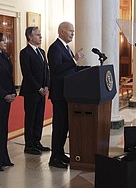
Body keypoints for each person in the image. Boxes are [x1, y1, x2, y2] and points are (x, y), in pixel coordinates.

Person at [48, 21, 88, 169]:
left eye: (73, 31)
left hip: (68, 93)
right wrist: (74, 59)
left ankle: (60, 153)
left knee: (65, 126)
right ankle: (54, 157)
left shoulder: (65, 47)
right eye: (70, 31)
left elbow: (70, 70)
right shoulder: (54, 48)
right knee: (59, 126)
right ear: (62, 31)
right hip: (59, 94)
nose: (73, 33)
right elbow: (57, 70)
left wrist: (86, 69)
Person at [19, 26, 50, 155]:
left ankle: (37, 141)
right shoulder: (25, 52)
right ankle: (29, 145)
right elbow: (27, 73)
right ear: (30, 37)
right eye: (38, 35)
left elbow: (46, 70)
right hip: (32, 91)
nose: (40, 37)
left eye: (40, 34)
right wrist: (38, 88)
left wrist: (47, 86)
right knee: (30, 118)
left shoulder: (42, 52)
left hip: (43, 91)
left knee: (39, 118)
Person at [0, 32, 16, 171]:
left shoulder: (5, 55)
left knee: (3, 128)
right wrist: (4, 95)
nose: (5, 42)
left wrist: (13, 91)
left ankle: (4, 158)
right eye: (3, 40)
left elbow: (9, 76)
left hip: (6, 97)